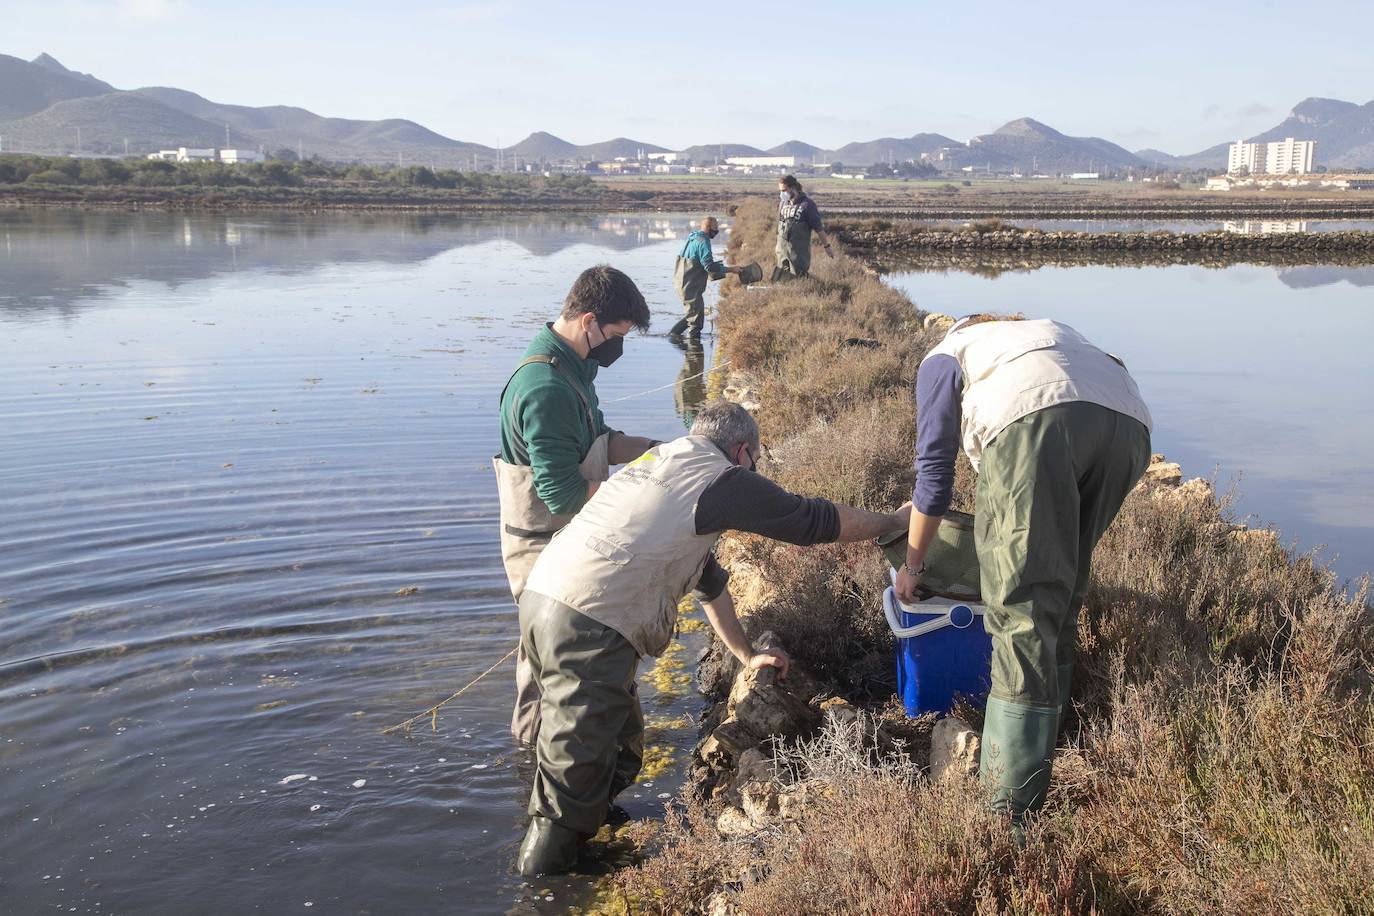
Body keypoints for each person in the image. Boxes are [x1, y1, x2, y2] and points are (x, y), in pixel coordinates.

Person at [515, 400, 911, 875]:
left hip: (544, 599)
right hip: (588, 619)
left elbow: (710, 582)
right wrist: (892, 521)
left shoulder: (664, 463)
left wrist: (746, 655)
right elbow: (811, 521)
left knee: (618, 746)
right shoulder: (721, 477)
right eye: (756, 461)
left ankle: (585, 846)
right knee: (572, 773)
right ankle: (546, 887)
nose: (755, 470)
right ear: (742, 452)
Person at [895, 315, 1152, 835]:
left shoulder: (944, 356)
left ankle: (1008, 813)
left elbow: (935, 481)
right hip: (1129, 423)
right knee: (1062, 586)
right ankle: (1050, 746)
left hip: (1035, 418)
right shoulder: (1037, 331)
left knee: (1021, 608)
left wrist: (912, 565)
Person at [495, 265, 660, 747]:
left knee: (563, 659)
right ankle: (532, 766)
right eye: (614, 335)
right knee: (547, 664)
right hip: (543, 548)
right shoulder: (545, 389)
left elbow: (601, 441)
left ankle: (566, 754)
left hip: (570, 538)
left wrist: (660, 452)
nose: (617, 347)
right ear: (588, 320)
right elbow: (563, 493)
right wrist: (638, 498)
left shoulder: (570, 367)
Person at [669, 216, 740, 339]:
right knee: (696, 323)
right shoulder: (704, 242)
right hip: (690, 286)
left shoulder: (693, 237)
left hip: (681, 282)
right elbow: (709, 266)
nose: (717, 232)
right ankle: (693, 353)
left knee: (694, 314)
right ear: (708, 228)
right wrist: (732, 269)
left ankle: (673, 336)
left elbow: (702, 263)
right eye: (715, 229)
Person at [772, 174, 833, 281]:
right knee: (782, 280)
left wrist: (827, 246)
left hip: (798, 254)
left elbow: (818, 228)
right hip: (782, 252)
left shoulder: (807, 205)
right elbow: (780, 227)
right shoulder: (783, 204)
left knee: (798, 278)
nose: (782, 194)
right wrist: (777, 246)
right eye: (780, 191)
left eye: (784, 190)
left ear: (793, 188)